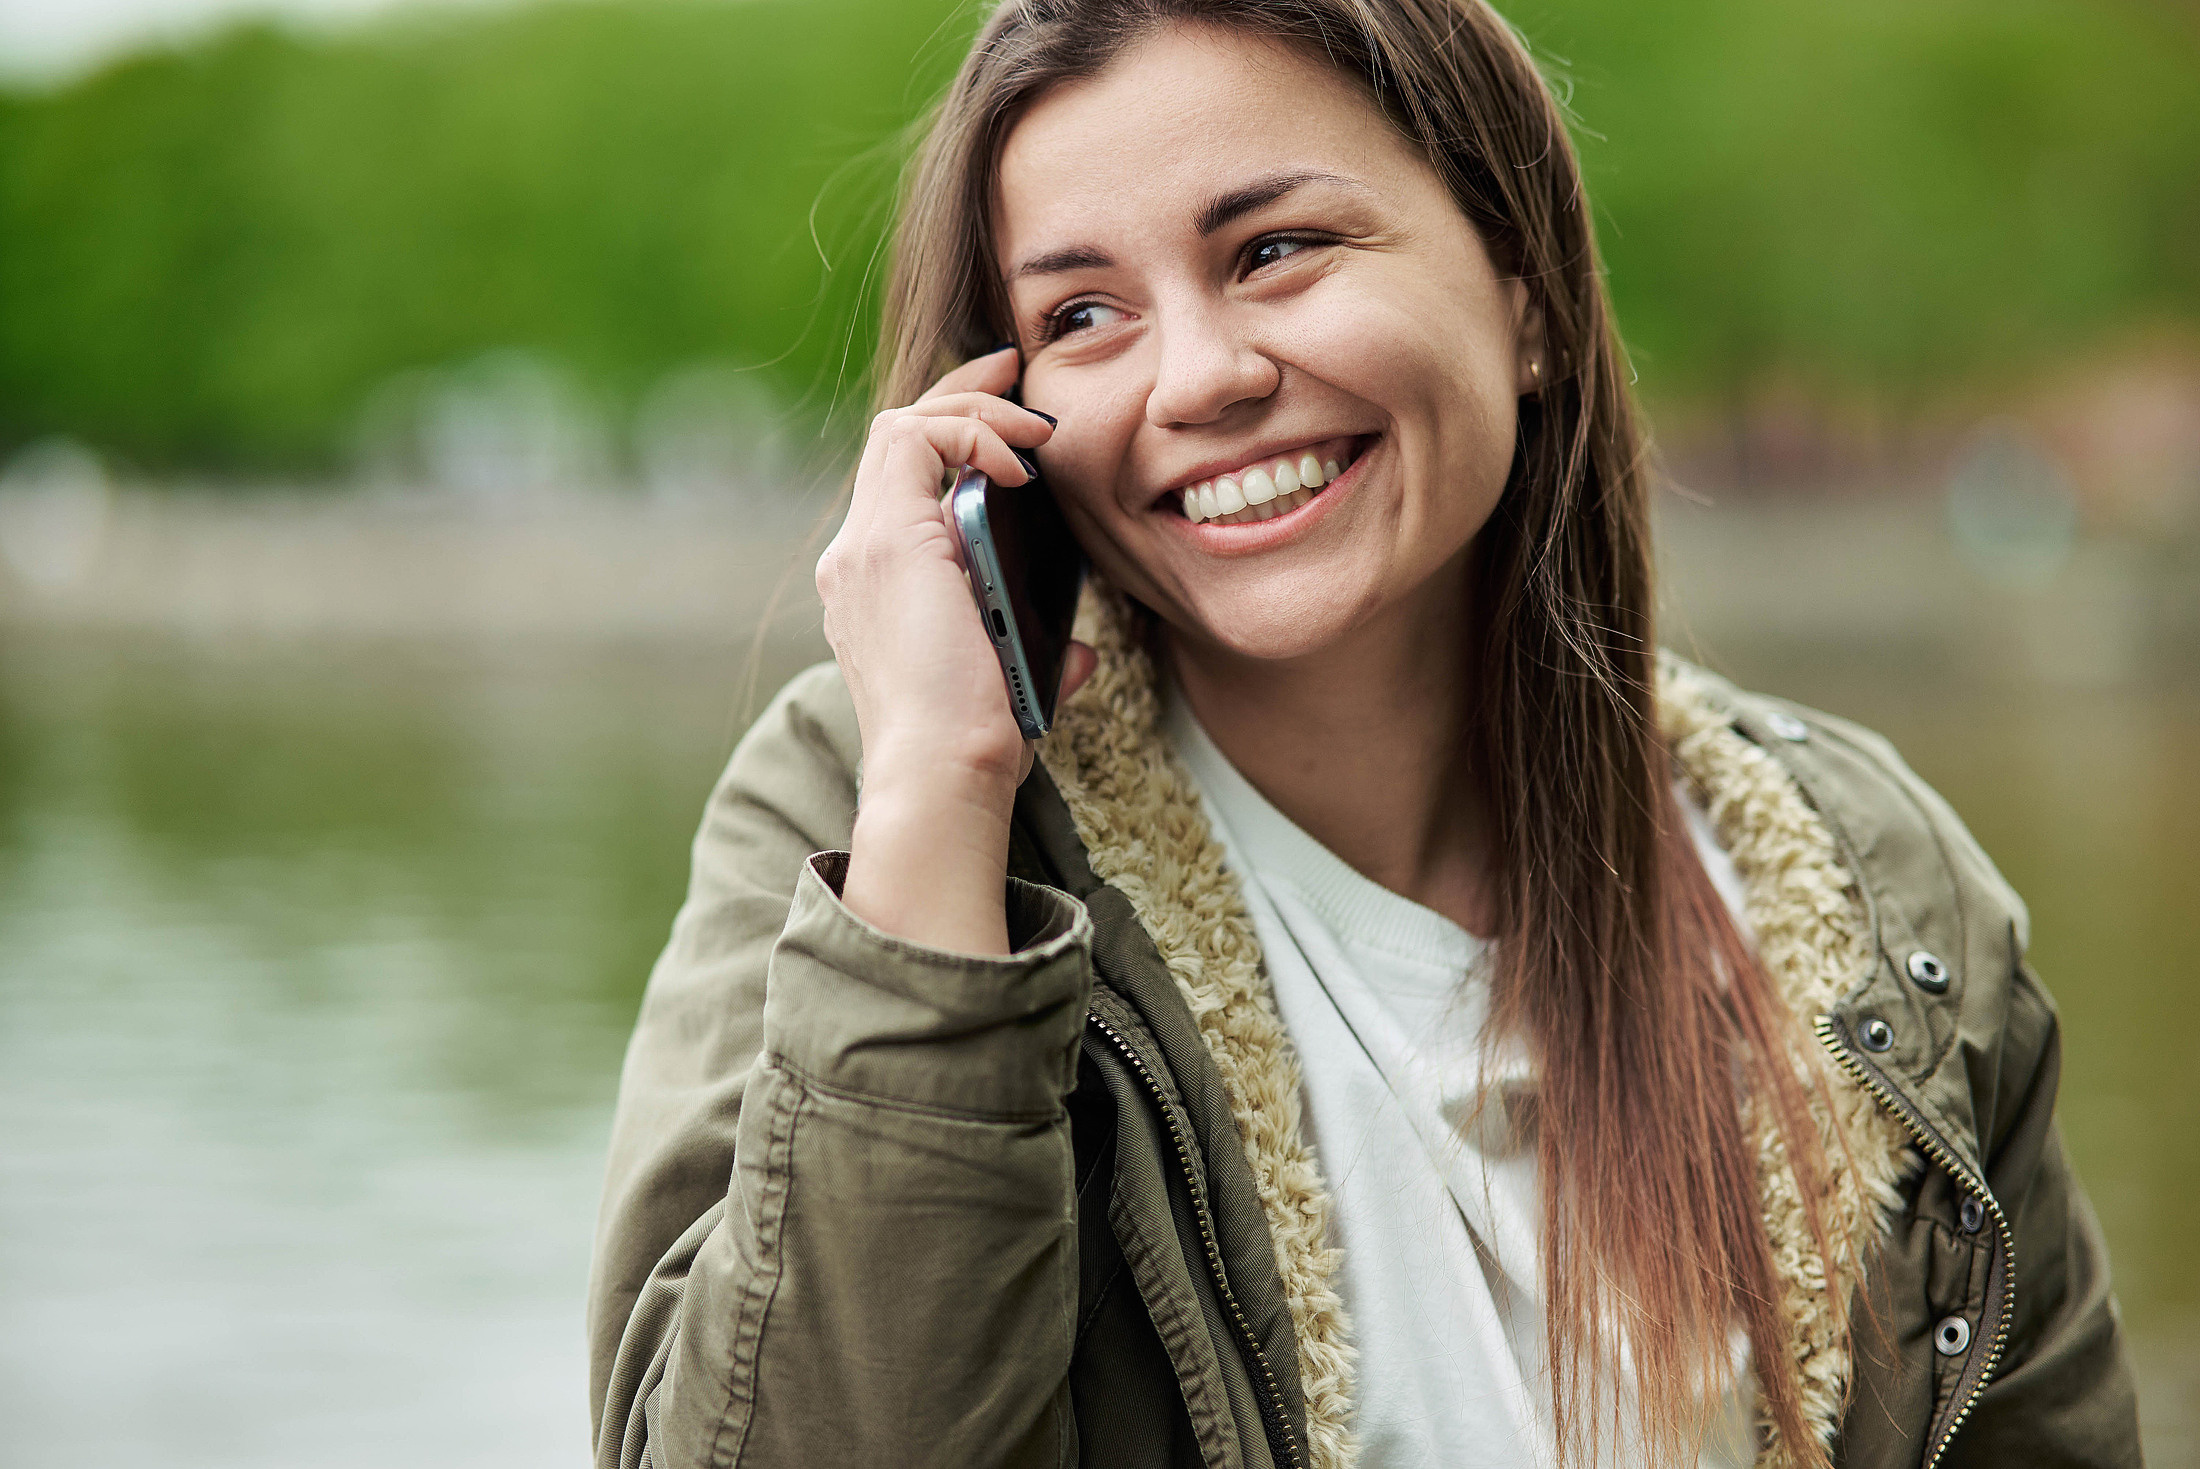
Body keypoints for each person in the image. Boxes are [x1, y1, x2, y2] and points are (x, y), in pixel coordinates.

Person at [585, 2, 2142, 1465]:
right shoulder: (873, 806)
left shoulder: (1866, 883)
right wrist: (938, 795)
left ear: (1524, 298)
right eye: (1083, 313)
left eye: (1275, 250)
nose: (1201, 378)